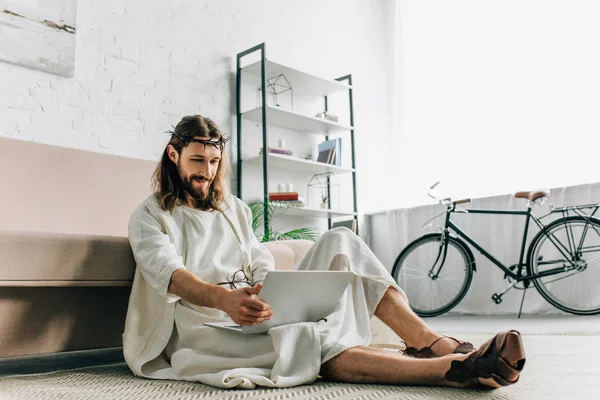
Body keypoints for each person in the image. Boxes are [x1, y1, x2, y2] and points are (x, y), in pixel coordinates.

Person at [123, 115, 525, 390]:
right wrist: (226, 301)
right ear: (174, 156)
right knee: (306, 337)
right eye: (197, 160)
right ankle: (452, 370)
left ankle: (429, 341)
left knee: (341, 241)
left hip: (253, 305)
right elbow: (170, 274)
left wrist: (268, 284)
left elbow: (257, 255)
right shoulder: (149, 215)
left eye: (213, 162)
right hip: (205, 325)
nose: (207, 172)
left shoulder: (233, 208)